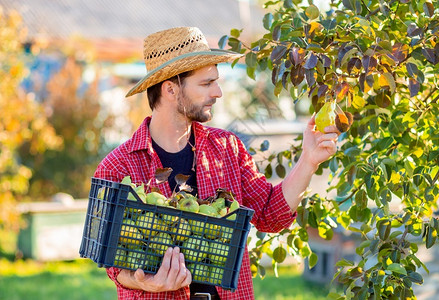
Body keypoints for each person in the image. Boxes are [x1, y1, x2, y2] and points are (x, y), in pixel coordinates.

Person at [94, 27, 339, 300]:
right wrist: (147, 283)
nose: (218, 92)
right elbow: (114, 264)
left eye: (216, 81)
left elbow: (271, 214)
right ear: (171, 89)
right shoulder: (118, 168)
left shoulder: (227, 149)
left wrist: (309, 159)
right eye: (206, 83)